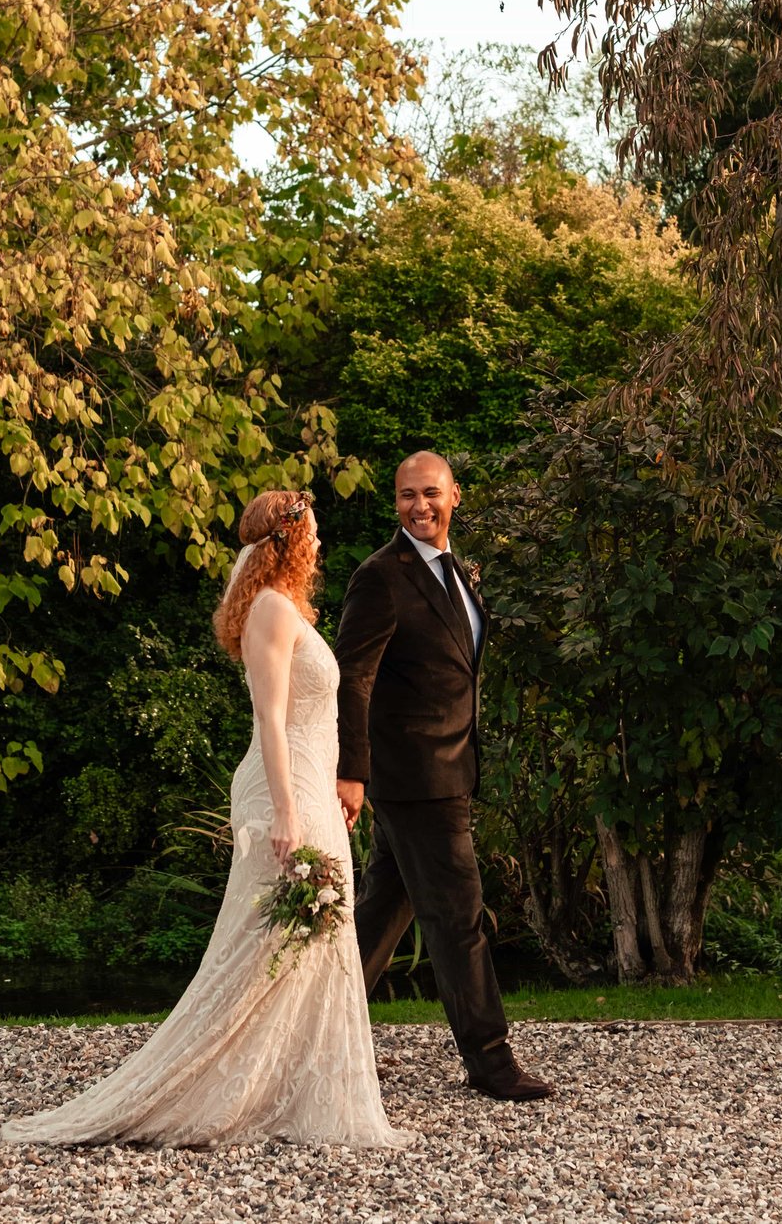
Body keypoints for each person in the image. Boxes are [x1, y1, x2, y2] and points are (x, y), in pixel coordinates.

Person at [0, 490, 412, 1149]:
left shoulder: (288, 608)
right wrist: (285, 810)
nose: (323, 546)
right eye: (315, 534)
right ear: (292, 541)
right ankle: (193, 1091)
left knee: (311, 945)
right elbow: (271, 720)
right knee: (261, 947)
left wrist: (331, 785)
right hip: (284, 790)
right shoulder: (272, 611)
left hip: (309, 786)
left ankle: (300, 1090)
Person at [334, 451, 554, 1102]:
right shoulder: (380, 576)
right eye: (407, 495)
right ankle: (491, 1059)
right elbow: (353, 677)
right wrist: (352, 770)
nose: (419, 505)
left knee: (377, 918)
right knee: (461, 918)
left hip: (448, 765)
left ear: (455, 493)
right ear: (395, 501)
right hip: (414, 775)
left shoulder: (459, 570)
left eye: (430, 492)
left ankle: (312, 1036)